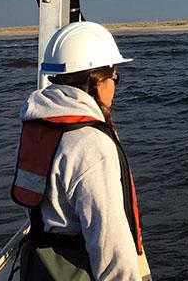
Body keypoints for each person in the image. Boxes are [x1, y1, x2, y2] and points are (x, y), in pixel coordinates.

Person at [11, 21, 148, 279]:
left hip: (38, 265)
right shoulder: (89, 143)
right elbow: (108, 239)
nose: (115, 84)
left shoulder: (34, 128)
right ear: (95, 80)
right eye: (114, 75)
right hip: (76, 267)